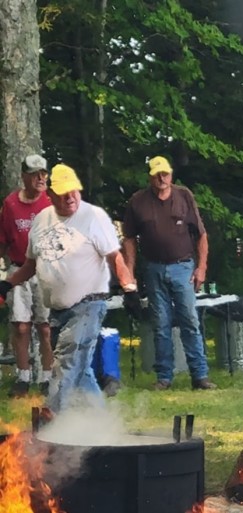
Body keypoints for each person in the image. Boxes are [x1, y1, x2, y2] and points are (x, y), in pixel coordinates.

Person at [0, 164, 142, 413]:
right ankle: (100, 425)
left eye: (74, 191)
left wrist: (129, 288)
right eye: (63, 193)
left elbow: (115, 257)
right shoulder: (42, 220)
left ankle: (51, 422)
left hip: (89, 303)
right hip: (57, 310)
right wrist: (7, 283)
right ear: (51, 195)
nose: (70, 197)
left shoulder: (93, 217)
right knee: (81, 370)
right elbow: (32, 264)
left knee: (65, 363)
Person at [122, 156, 215, 391]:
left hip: (183, 266)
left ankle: (200, 375)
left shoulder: (184, 196)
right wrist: (129, 273)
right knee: (160, 324)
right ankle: (164, 376)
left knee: (189, 321)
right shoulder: (138, 201)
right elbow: (130, 239)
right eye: (157, 174)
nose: (162, 178)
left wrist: (201, 267)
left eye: (165, 173)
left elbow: (201, 234)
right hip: (153, 268)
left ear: (171, 175)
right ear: (150, 176)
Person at [0, 155, 54, 397]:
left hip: (46, 270)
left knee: (45, 326)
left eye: (44, 172)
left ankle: (47, 376)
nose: (41, 178)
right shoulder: (10, 205)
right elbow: (3, 240)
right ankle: (23, 376)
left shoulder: (51, 202)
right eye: (35, 173)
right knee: (21, 326)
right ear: (24, 176)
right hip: (19, 268)